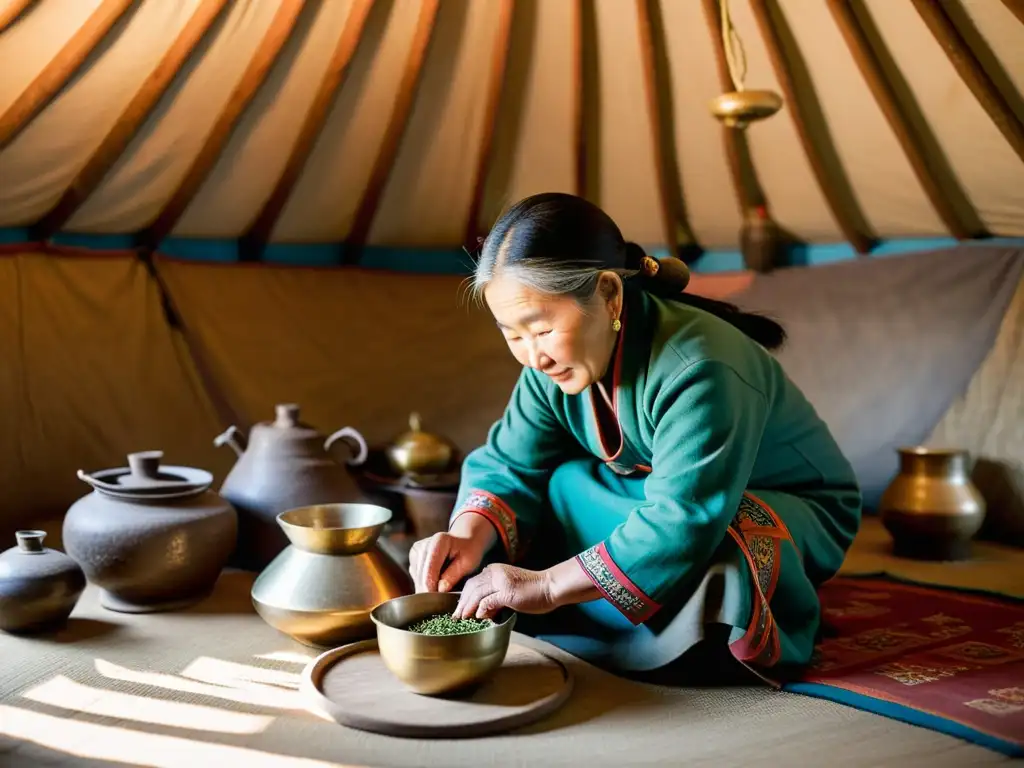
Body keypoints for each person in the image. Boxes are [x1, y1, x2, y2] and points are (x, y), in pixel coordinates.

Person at [408, 192, 862, 685]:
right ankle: (601, 606)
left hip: (774, 508)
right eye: (512, 335)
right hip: (667, 501)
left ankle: (669, 628)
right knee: (559, 485)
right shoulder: (548, 368)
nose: (532, 356)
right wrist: (467, 535)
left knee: (727, 542)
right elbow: (510, 463)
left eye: (540, 329)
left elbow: (684, 516)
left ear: (608, 293)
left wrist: (544, 584)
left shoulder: (701, 366)